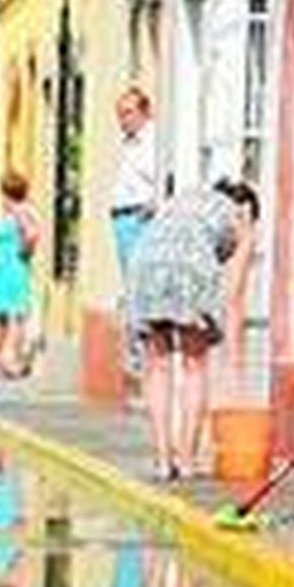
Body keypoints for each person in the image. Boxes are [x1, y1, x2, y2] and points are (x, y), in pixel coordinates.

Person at [126, 176, 260, 482]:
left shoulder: (185, 199)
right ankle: (186, 460)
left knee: (157, 365)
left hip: (144, 263)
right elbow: (233, 295)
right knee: (194, 365)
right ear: (248, 208)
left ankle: (162, 460)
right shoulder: (241, 218)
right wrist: (235, 364)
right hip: (191, 267)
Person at [111, 87, 160, 376]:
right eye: (120, 114)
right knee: (131, 286)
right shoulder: (129, 142)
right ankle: (137, 356)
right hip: (124, 218)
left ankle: (144, 356)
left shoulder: (152, 141)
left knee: (140, 286)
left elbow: (162, 176)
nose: (123, 120)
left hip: (138, 217)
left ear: (145, 112)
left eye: (128, 113)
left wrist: (152, 206)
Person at [0, 170, 39, 377]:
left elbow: (32, 234)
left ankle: (9, 358)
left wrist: (24, 252)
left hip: (12, 269)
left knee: (13, 314)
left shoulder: (22, 211)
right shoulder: (4, 214)